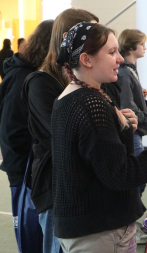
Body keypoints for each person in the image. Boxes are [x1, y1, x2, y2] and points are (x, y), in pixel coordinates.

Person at [51, 22, 147, 252]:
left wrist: (118, 125)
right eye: (112, 53)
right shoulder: (91, 104)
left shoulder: (75, 95)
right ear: (86, 60)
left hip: (89, 226)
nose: (120, 59)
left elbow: (94, 154)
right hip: (100, 230)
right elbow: (119, 174)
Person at [21, 8, 100, 253]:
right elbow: (61, 137)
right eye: (93, 35)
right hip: (57, 189)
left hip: (83, 186)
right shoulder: (41, 83)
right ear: (68, 36)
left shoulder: (81, 78)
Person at [0, 19, 54, 252]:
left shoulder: (32, 74)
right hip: (23, 169)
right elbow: (12, 130)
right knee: (29, 231)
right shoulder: (23, 77)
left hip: (30, 167)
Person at [115, 28, 147, 196]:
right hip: (133, 132)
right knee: (139, 178)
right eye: (142, 44)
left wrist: (140, 97)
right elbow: (128, 106)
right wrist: (143, 117)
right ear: (131, 46)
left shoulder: (129, 70)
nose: (145, 47)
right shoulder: (125, 72)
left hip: (136, 131)